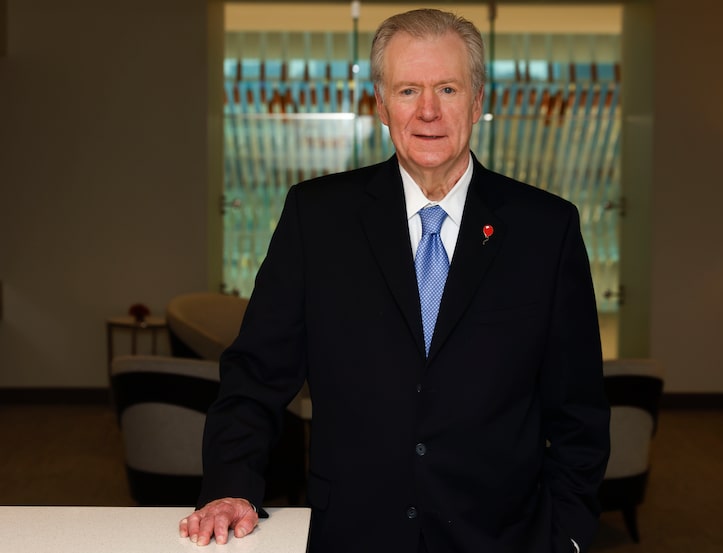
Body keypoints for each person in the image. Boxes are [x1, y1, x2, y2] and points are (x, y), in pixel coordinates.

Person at [180, 8, 609, 553]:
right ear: (381, 104)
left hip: (503, 537)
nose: (428, 111)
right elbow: (255, 376)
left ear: (477, 101)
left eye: (447, 88)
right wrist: (230, 486)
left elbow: (580, 412)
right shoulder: (318, 219)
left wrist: (566, 536)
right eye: (408, 90)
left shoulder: (546, 229)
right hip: (355, 534)